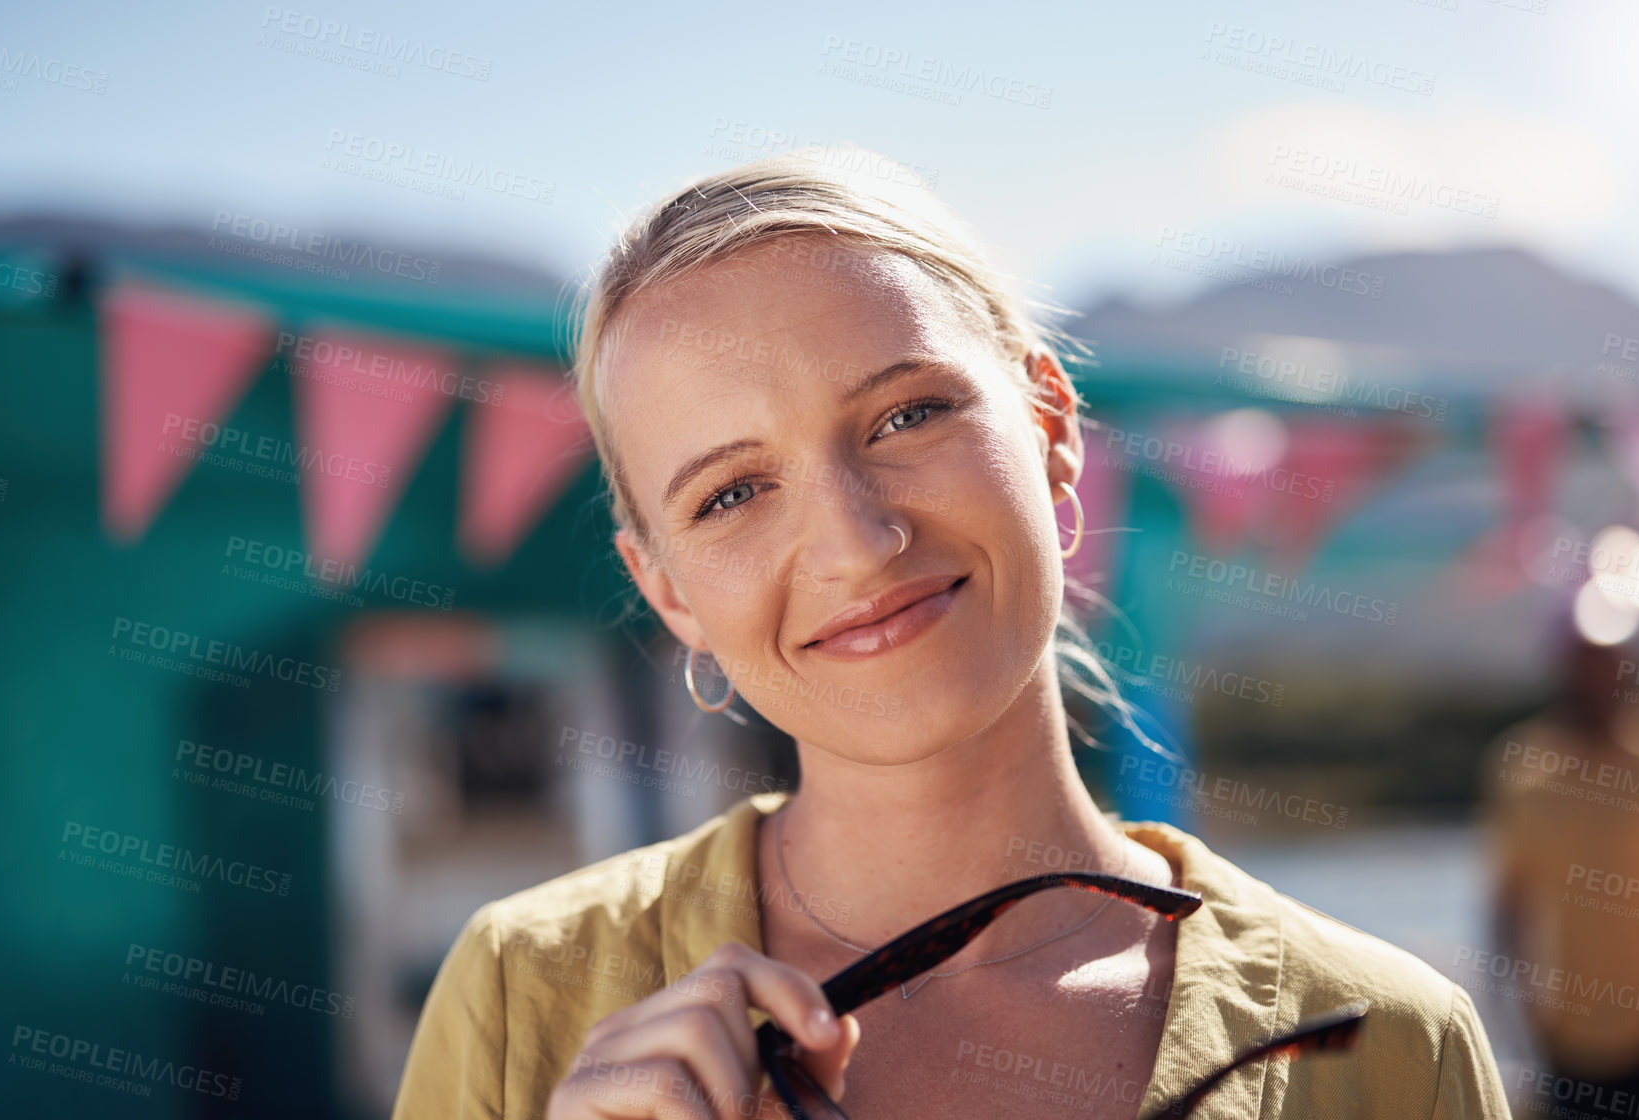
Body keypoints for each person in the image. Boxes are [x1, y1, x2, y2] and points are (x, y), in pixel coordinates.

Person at [391, 148, 1509, 1119]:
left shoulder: (1388, 1047)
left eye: (904, 415)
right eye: (730, 494)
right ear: (669, 591)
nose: (855, 542)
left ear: (1049, 428)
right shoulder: (520, 994)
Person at [1483, 625, 1639, 1105]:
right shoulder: (1525, 768)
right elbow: (1507, 903)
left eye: (1608, 669)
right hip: (1563, 1039)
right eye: (1584, 669)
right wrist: (1518, 1011)